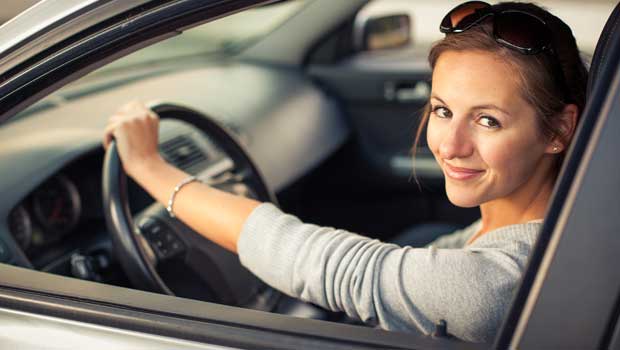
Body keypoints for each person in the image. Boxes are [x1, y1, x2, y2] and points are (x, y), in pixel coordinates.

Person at [103, 1, 587, 343]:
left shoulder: (497, 282)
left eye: (487, 120)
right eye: (442, 110)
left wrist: (151, 168)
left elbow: (318, 261)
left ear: (558, 130)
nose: (451, 145)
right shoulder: (547, 223)